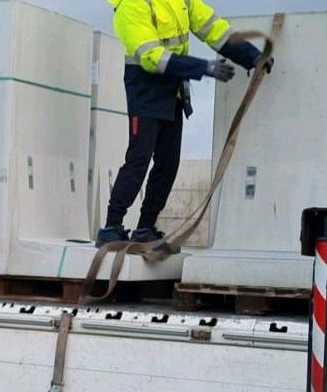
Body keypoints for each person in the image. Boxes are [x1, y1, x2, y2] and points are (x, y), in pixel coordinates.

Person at [98, 0, 266, 246]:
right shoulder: (130, 7)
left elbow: (215, 30)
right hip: (145, 93)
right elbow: (151, 58)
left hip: (172, 93)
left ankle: (146, 228)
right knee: (139, 160)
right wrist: (203, 67)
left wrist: (253, 57)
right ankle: (111, 227)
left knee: (168, 163)